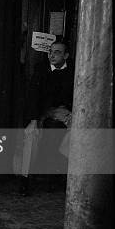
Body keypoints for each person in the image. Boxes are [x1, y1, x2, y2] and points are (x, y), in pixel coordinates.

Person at [20, 40, 74, 195]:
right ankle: (25, 179)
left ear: (66, 55)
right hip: (41, 112)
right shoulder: (41, 69)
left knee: (78, 130)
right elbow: (33, 97)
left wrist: (66, 110)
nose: (52, 55)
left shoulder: (73, 70)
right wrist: (33, 121)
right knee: (31, 136)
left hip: (64, 112)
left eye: (57, 52)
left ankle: (61, 175)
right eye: (50, 51)